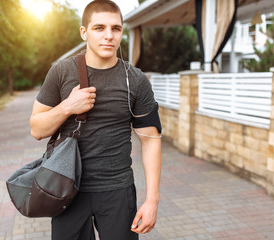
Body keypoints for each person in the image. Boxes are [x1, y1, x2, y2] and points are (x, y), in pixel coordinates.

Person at [30, 1, 162, 239]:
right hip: (66, 189)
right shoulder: (61, 72)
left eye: (116, 29)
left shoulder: (136, 80)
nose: (108, 36)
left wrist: (152, 201)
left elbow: (151, 140)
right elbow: (36, 129)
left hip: (117, 190)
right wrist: (67, 107)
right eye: (99, 28)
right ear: (84, 32)